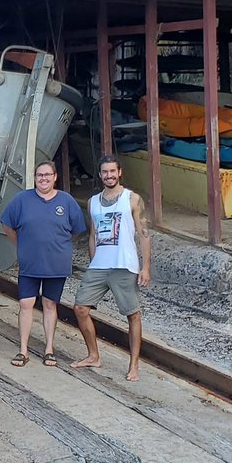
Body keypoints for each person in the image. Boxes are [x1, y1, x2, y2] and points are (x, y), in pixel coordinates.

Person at [73, 155, 151, 381]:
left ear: (119, 172)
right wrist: (93, 262)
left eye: (112, 171)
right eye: (105, 172)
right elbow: (93, 235)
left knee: (133, 314)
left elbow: (144, 234)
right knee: (80, 308)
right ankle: (93, 355)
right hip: (100, 265)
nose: (109, 175)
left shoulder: (132, 199)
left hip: (124, 265)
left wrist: (145, 267)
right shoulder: (93, 202)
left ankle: (134, 365)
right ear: (100, 175)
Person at [0, 160, 85, 367]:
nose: (43, 178)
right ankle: (23, 350)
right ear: (35, 177)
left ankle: (49, 350)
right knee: (25, 303)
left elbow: (77, 230)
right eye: (39, 175)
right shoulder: (22, 199)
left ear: (55, 177)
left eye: (47, 175)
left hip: (56, 265)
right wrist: (22, 244)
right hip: (29, 263)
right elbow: (7, 225)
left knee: (49, 304)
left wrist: (58, 243)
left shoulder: (66, 201)